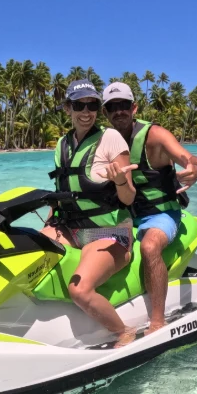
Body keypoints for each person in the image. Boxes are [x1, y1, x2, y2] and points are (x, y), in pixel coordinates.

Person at [41, 79, 139, 347]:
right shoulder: (62, 144)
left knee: (79, 290)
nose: (86, 112)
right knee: (23, 250)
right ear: (67, 108)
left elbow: (128, 196)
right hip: (71, 228)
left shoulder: (110, 138)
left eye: (93, 105)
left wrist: (119, 181)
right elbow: (62, 192)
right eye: (79, 105)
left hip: (109, 233)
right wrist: (51, 224)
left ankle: (124, 331)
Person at [101, 81, 197, 334]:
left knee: (149, 247)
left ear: (133, 107)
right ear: (105, 113)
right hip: (126, 215)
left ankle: (158, 320)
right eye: (112, 107)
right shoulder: (104, 141)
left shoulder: (154, 136)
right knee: (87, 239)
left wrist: (195, 169)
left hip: (160, 214)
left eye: (123, 105)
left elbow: (187, 157)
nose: (119, 111)